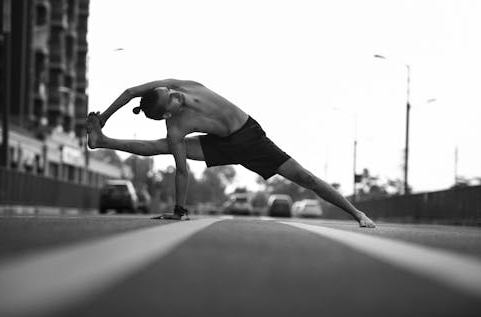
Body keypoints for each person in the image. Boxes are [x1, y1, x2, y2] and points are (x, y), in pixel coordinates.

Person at [86, 79, 375, 227]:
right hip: (219, 146)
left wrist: (106, 115)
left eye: (170, 93)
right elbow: (182, 169)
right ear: (166, 115)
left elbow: (129, 92)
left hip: (249, 137)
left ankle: (357, 213)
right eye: (171, 103)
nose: (176, 97)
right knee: (159, 148)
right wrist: (179, 211)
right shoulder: (175, 128)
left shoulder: (178, 84)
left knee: (306, 177)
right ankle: (102, 141)